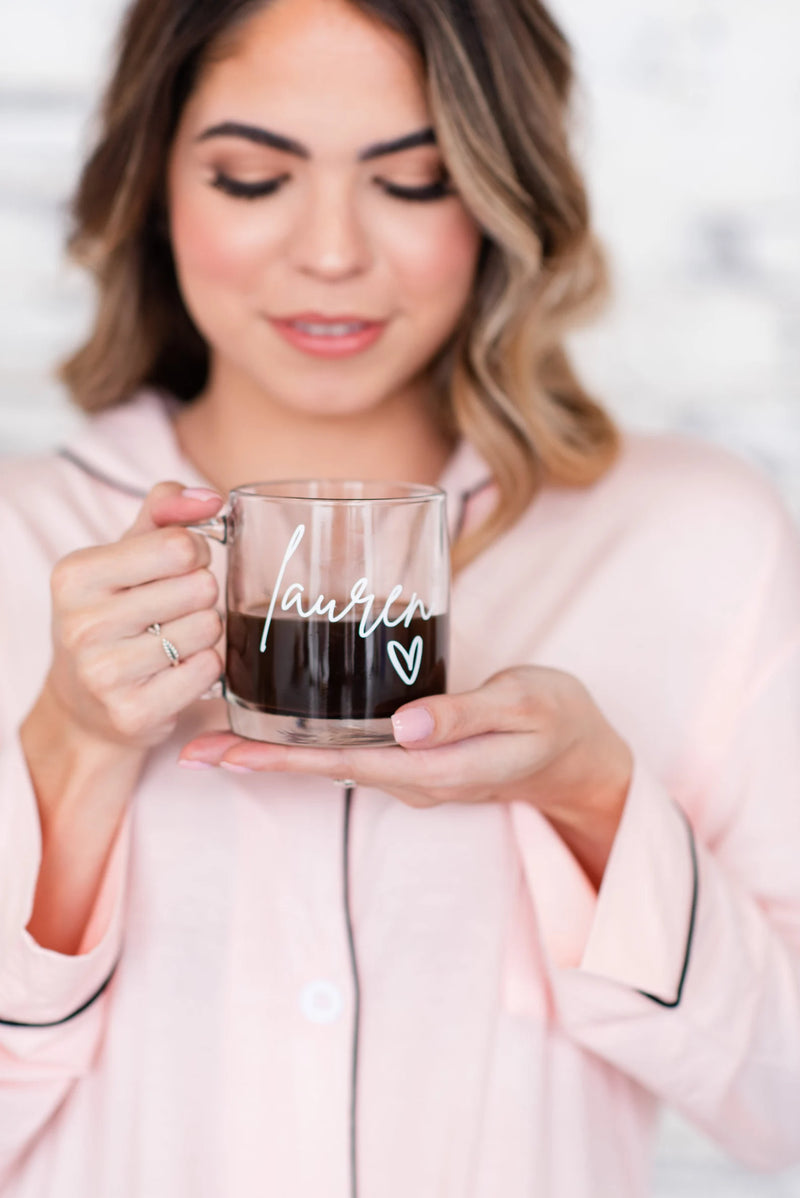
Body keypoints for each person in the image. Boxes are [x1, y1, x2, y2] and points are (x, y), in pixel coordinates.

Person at [1, 0, 799, 1193]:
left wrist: (593, 802)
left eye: (414, 182)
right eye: (251, 177)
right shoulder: (21, 541)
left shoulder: (689, 535)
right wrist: (69, 751)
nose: (331, 253)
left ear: (498, 196)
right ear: (153, 189)